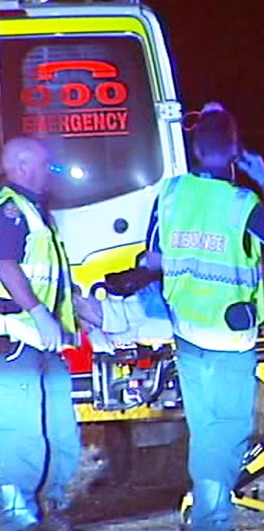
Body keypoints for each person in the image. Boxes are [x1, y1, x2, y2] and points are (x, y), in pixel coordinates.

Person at [144, 102, 264, 531]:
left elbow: (153, 255)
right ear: (234, 153)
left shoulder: (172, 193)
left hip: (186, 329)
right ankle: (212, 520)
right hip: (229, 338)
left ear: (195, 149)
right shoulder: (241, 202)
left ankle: (209, 513)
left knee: (206, 428)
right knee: (226, 432)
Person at [0, 137, 81, 530]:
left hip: (45, 341)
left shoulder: (36, 212)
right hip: (16, 338)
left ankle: (52, 501)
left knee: (59, 430)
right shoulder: (11, 210)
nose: (50, 172)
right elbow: (4, 263)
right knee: (20, 432)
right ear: (22, 164)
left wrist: (78, 308)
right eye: (45, 164)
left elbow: (49, 274)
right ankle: (16, 515)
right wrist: (37, 312)